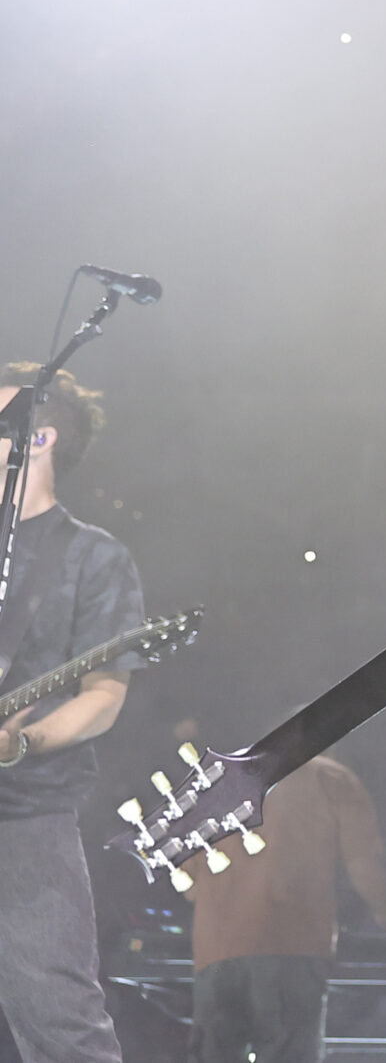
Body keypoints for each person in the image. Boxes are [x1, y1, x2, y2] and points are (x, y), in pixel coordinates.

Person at [0, 370, 143, 1063]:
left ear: (40, 436)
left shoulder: (93, 555)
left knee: (61, 1027)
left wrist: (20, 740)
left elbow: (103, 696)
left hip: (23, 823)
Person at [177, 753, 386, 1063]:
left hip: (216, 952)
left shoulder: (218, 780)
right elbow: (360, 862)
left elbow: (189, 887)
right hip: (291, 944)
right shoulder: (330, 775)